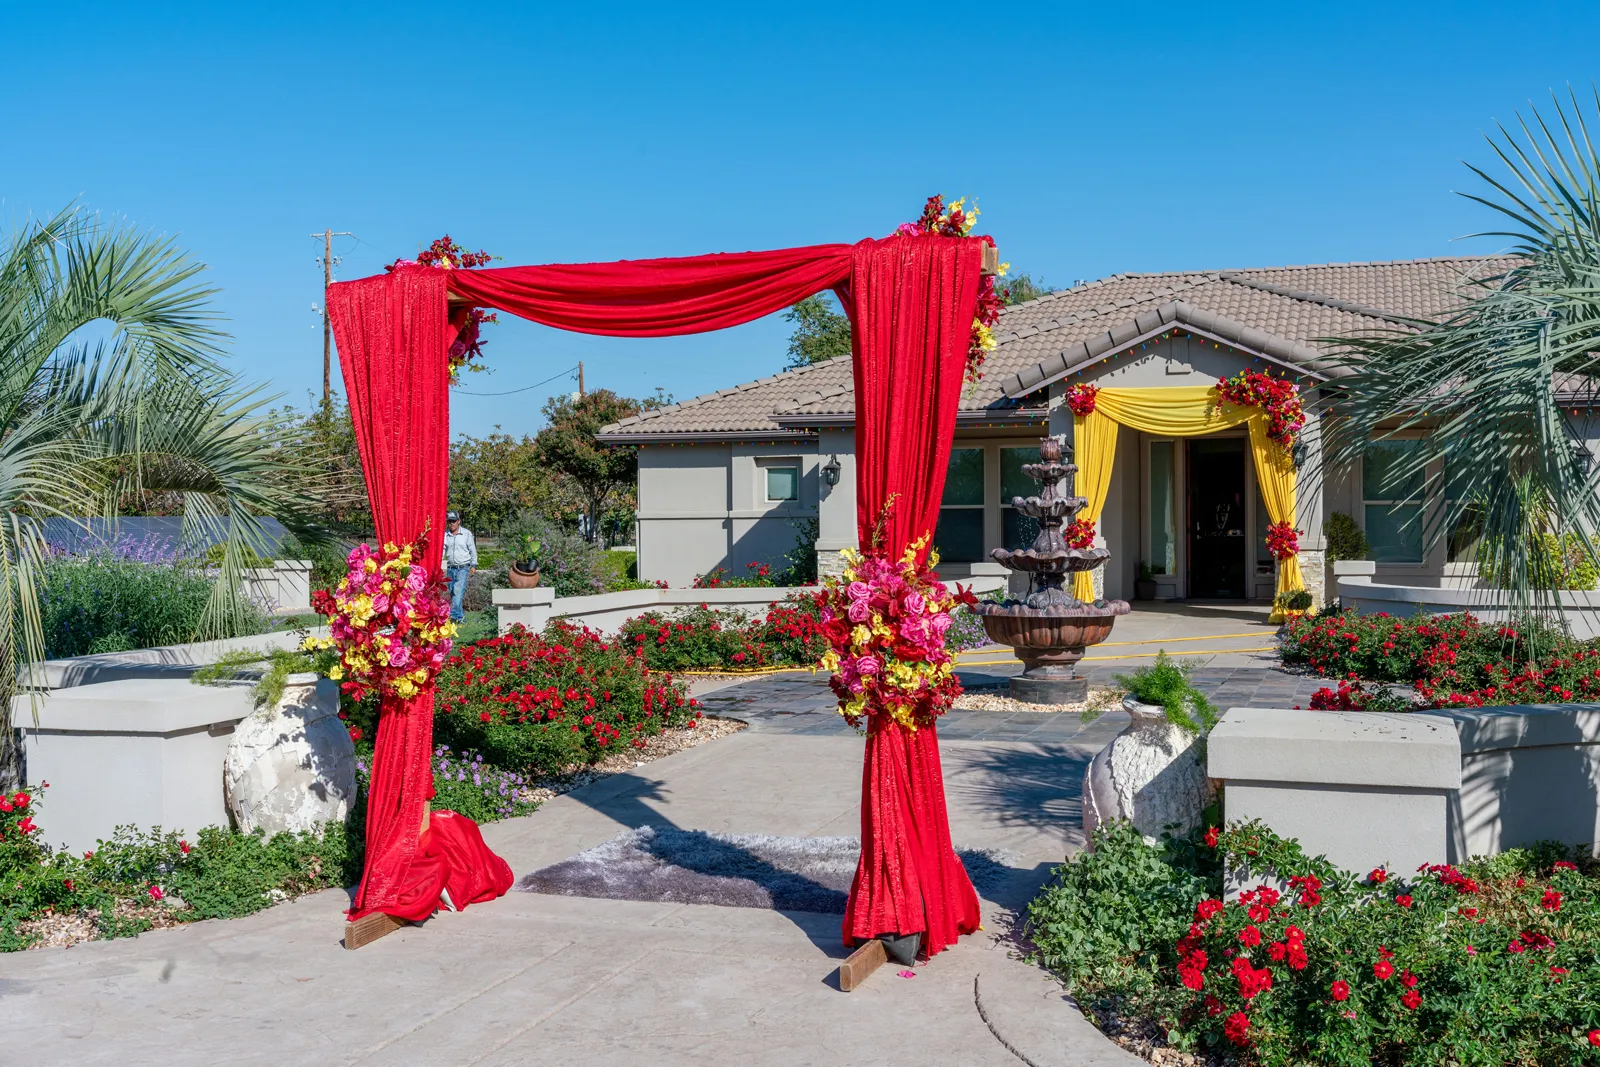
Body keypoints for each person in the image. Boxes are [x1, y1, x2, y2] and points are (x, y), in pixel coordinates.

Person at [442, 510, 477, 623]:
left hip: (463, 567)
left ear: (458, 521)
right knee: (453, 592)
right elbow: (443, 550)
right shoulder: (446, 535)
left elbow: (472, 549)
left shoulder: (466, 534)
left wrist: (474, 564)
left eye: (453, 521)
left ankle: (453, 616)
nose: (451, 524)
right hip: (451, 567)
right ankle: (460, 618)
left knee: (457, 591)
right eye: (449, 521)